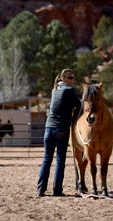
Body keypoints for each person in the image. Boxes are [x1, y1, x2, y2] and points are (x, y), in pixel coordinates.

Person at [36, 68, 81, 197]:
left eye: (73, 77)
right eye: (71, 78)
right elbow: (79, 105)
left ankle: (40, 189)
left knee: (46, 159)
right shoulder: (69, 90)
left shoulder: (54, 90)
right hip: (61, 128)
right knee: (60, 160)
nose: (73, 80)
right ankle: (57, 191)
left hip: (48, 127)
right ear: (64, 78)